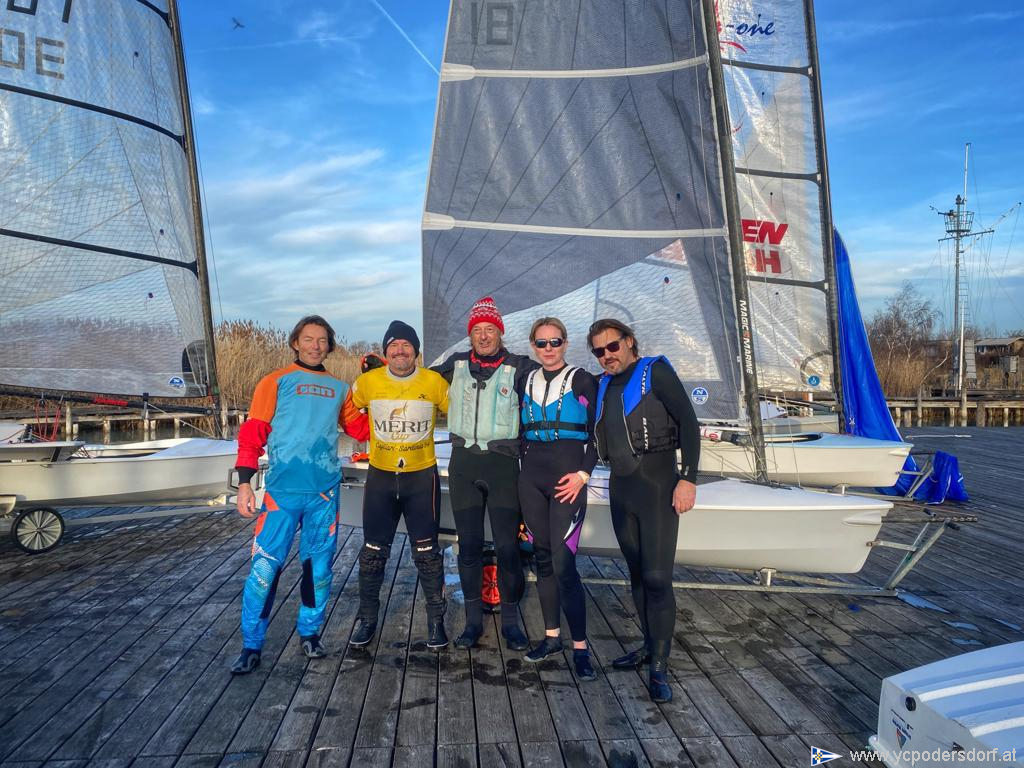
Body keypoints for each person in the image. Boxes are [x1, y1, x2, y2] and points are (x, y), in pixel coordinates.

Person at [231, 315, 368, 675]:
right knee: (264, 568)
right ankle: (251, 644)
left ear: (329, 346)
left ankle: (310, 633)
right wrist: (244, 482)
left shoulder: (340, 388)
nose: (315, 346)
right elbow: (253, 434)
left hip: (323, 493)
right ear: (295, 342)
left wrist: (376, 386)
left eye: (322, 340)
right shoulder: (275, 381)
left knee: (318, 570)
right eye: (308, 339)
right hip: (281, 493)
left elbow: (361, 429)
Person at [588, 318, 700, 703]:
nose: (607, 355)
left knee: (656, 577)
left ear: (629, 342)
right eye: (599, 351)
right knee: (636, 573)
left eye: (612, 346)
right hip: (622, 489)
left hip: (658, 487)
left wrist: (688, 479)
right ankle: (649, 646)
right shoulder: (603, 385)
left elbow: (689, 423)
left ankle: (660, 666)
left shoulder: (656, 373)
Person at [432, 297, 537, 651]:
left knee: (508, 547)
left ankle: (511, 623)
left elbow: (553, 381)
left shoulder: (519, 367)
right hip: (464, 465)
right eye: (477, 330)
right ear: (471, 335)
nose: (484, 336)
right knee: (469, 547)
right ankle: (472, 623)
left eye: (490, 329)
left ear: (500, 333)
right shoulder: (456, 365)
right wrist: (380, 369)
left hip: (502, 466)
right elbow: (417, 382)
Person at [349, 321, 451, 650]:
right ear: (385, 351)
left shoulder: (434, 382)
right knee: (372, 553)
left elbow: (462, 414)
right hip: (381, 477)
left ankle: (436, 622)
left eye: (407, 345)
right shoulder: (367, 382)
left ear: (416, 352)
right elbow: (348, 413)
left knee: (427, 554)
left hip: (421, 478)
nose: (400, 351)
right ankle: (367, 620)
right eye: (393, 345)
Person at [518, 317, 598, 681]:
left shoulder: (582, 380)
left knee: (564, 564)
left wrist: (583, 475)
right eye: (541, 343)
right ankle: (552, 637)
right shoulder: (526, 379)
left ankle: (580, 647)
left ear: (565, 343)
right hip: (531, 479)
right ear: (533, 346)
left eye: (555, 342)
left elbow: (598, 432)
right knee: (543, 560)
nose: (548, 349)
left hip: (567, 481)